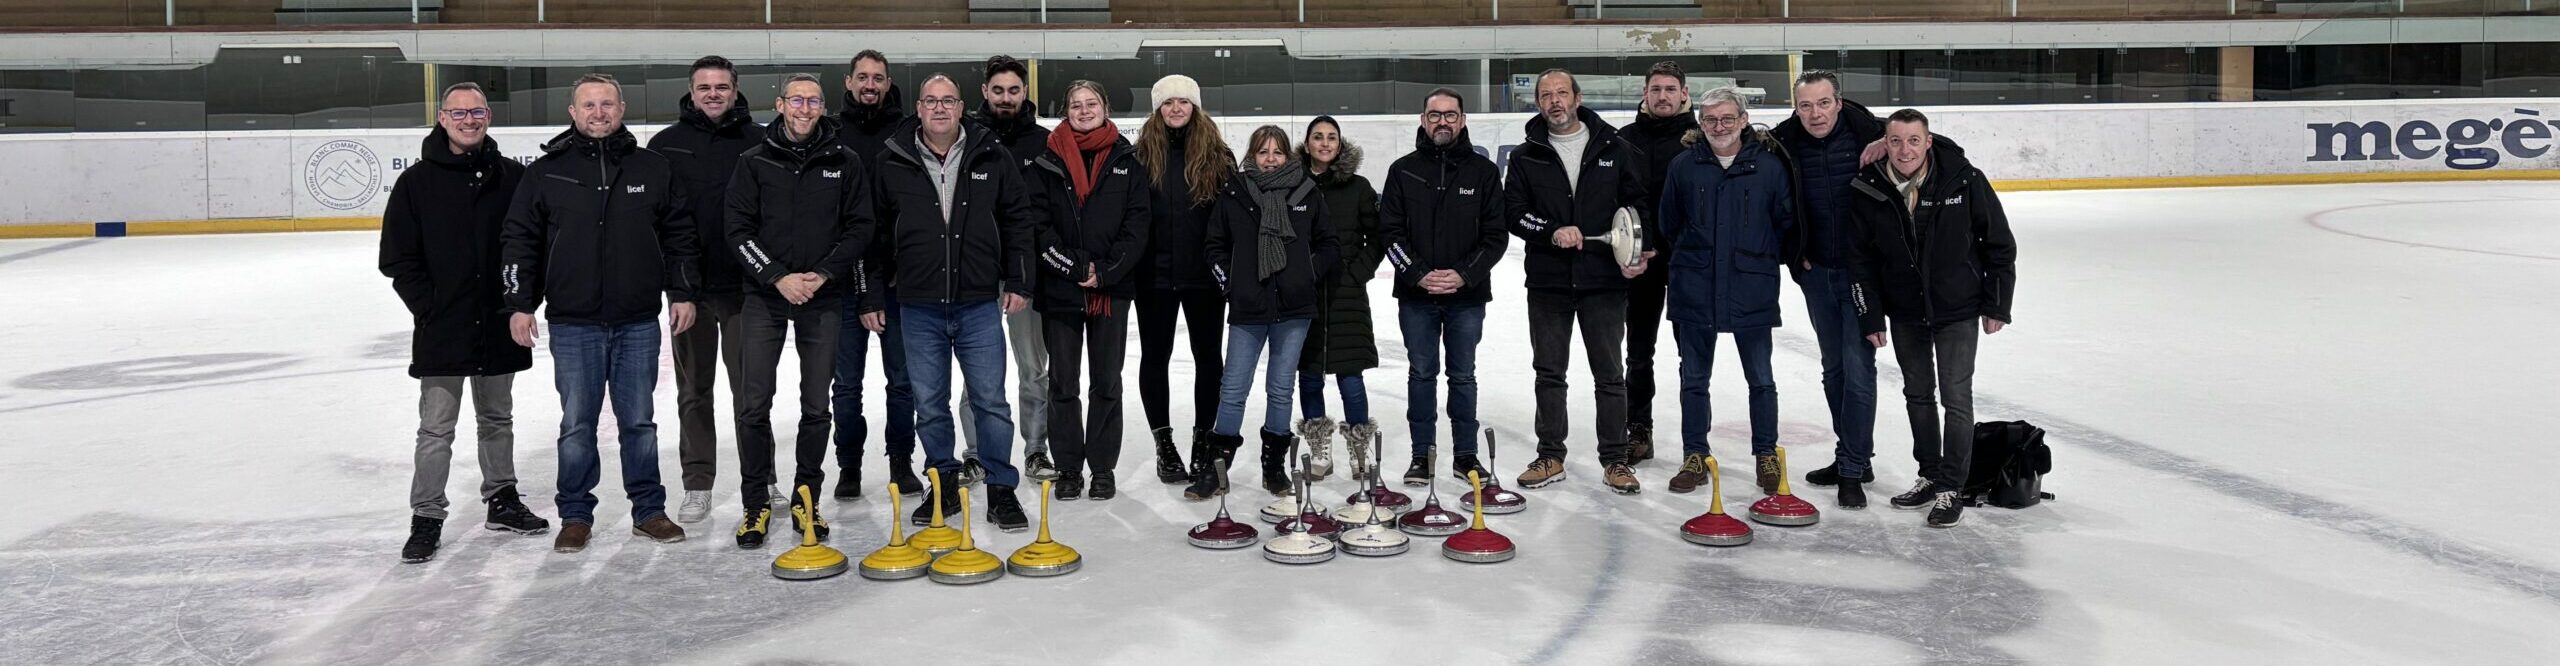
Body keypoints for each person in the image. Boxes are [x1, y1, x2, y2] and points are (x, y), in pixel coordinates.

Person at [499, 73, 699, 553]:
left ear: (622, 108)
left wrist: (683, 292)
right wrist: (519, 303)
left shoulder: (652, 167)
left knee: (639, 422)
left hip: (637, 319)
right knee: (577, 424)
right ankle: (575, 515)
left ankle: (648, 511)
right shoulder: (547, 171)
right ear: (573, 112)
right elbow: (519, 239)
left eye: (607, 104)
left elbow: (680, 234)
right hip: (574, 321)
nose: (598, 113)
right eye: (588, 105)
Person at [380, 81, 547, 564]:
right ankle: (427, 516)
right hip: (443, 326)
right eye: (459, 113)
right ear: (442, 118)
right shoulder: (416, 183)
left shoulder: (512, 177)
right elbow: (397, 257)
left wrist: (522, 301)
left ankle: (502, 500)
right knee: (436, 428)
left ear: (488, 116)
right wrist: (429, 307)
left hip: (498, 322)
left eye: (476, 112)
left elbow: (533, 246)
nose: (468, 120)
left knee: (497, 417)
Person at [869, 74, 1039, 533]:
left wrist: (1020, 281)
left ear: (962, 107)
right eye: (931, 101)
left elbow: (1018, 220)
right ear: (919, 108)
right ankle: (942, 482)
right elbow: (875, 234)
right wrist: (873, 293)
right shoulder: (891, 159)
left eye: (948, 101)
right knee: (929, 403)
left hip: (978, 302)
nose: (940, 108)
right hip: (918, 305)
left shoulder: (991, 154)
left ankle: (1001, 488)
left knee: (991, 402)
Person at [720, 74, 877, 548]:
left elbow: (860, 228)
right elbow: (737, 230)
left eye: (813, 101)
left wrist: (824, 273)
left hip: (822, 297)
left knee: (816, 405)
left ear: (823, 107)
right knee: (753, 403)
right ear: (780, 104)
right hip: (764, 297)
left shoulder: (845, 161)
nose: (804, 109)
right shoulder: (753, 161)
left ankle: (806, 498)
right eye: (796, 100)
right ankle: (755, 503)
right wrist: (776, 277)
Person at [1847, 108, 2018, 528]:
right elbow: (1861, 261)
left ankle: (1951, 488)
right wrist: (1871, 316)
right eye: (1895, 141)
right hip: (1906, 311)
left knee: (1956, 398)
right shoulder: (1868, 187)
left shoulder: (1964, 179)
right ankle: (1929, 473)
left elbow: (1998, 243)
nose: (1904, 150)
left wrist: (1997, 304)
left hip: (1957, 309)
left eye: (1913, 140)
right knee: (1918, 394)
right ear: (1884, 143)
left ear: (1928, 141)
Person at [1504, 69, 1654, 495]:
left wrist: (1637, 250)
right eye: (1546, 95)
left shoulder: (1614, 148)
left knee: (1610, 375)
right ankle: (1550, 455)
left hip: (1603, 281)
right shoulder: (1526, 156)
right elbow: (1514, 213)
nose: (1555, 101)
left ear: (1577, 97)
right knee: (1549, 372)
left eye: (1561, 93)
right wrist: (1552, 230)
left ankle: (1616, 459)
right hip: (1548, 283)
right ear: (1538, 103)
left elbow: (1638, 207)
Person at [1657, 87, 1796, 499]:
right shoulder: (1684, 166)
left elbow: (1785, 222)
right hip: (1694, 287)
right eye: (1711, 120)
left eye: (1727, 119)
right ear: (1700, 123)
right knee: (1694, 379)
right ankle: (1695, 455)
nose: (1719, 127)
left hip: (1752, 287)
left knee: (1761, 379)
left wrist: (1756, 257)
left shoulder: (1769, 167)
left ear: (1744, 120)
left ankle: (1766, 454)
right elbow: (1668, 223)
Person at [649, 55, 766, 521]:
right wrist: (678, 288)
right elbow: (660, 222)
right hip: (690, 294)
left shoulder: (760, 140)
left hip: (747, 290)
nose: (713, 94)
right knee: (694, 391)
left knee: (751, 392)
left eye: (721, 87)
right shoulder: (666, 146)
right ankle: (698, 483)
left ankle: (762, 478)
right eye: (704, 87)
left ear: (735, 90)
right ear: (691, 91)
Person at [1771, 69, 1893, 507]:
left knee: (1858, 370)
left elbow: (1938, 147)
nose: (1815, 113)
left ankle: (1852, 469)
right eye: (1805, 105)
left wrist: (1887, 137)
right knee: (1834, 370)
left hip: (1863, 277)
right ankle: (1854, 454)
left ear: (1839, 103)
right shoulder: (1784, 144)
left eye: (1824, 103)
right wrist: (1794, 252)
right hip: (1818, 273)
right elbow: (1774, 203)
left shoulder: (1870, 134)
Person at [1198, 125, 1339, 498]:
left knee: (1280, 389)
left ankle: (1273, 467)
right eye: (1263, 152)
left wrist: (1306, 274)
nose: (1271, 159)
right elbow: (1214, 245)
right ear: (1252, 156)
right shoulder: (1235, 193)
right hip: (1248, 306)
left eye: (1277, 152)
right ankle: (1216, 469)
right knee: (1233, 389)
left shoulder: (1306, 192)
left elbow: (1329, 243)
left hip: (1294, 308)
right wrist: (1230, 283)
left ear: (1288, 156)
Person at [1378, 88, 1507, 488]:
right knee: (1421, 374)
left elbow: (1496, 236)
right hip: (1416, 297)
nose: (1442, 122)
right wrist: (1417, 273)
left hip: (1466, 298)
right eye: (1435, 115)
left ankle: (1465, 455)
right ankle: (1422, 455)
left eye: (1451, 115)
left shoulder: (1483, 173)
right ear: (1423, 120)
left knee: (1463, 376)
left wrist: (1464, 274)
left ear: (1463, 120)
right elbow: (1389, 233)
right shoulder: (1403, 170)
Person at [1027, 80, 1150, 501]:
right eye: (1075, 105)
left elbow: (1138, 225)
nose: (1083, 110)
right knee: (1063, 383)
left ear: (1105, 108)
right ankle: (1067, 467)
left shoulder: (1128, 161)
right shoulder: (1046, 161)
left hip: (1110, 292)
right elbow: (1038, 227)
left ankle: (1101, 468)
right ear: (1066, 111)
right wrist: (1074, 268)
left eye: (1091, 103)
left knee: (1107, 382)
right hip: (1061, 290)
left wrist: (1106, 272)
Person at [1135, 74, 1237, 497]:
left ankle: (1201, 441)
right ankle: (1164, 444)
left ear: (1195, 106)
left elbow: (1231, 218)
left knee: (1208, 359)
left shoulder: (1219, 156)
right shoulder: (1140, 156)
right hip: (1153, 277)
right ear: (1157, 109)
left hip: (1204, 278)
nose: (1175, 108)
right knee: (1154, 357)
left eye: (1183, 101)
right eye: (1168, 102)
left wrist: (1226, 267)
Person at [829, 48, 923, 501]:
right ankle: (848, 464)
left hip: (896, 279)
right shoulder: (831, 132)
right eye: (862, 77)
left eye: (878, 78)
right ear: (849, 82)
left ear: (888, 83)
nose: (870, 84)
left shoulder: (906, 132)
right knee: (846, 383)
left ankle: (901, 459)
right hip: (841, 278)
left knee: (902, 381)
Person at [958, 54, 1056, 484]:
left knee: (1033, 367)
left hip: (1026, 274)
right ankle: (975, 452)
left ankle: (1036, 449)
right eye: (997, 90)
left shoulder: (1045, 142)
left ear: (1025, 92)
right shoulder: (967, 137)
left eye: (1013, 90)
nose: (1005, 98)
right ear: (984, 92)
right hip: (975, 273)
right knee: (977, 371)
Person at [1291, 115, 1383, 482]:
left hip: (1347, 295)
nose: (1325, 143)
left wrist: (1357, 274)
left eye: (1332, 137)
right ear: (1307, 144)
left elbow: (1378, 237)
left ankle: (1359, 448)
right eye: (1318, 137)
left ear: (1339, 144)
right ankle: (1319, 448)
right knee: (1310, 375)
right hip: (1304, 294)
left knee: (1350, 376)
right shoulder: (1293, 185)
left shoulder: (1358, 188)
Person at [1616, 61, 1697, 471]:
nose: (1663, 96)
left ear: (1684, 94)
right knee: (1638, 353)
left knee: (1692, 356)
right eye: (1656, 89)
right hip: (1639, 263)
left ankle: (1694, 440)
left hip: (1687, 263)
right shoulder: (1624, 139)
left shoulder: (1700, 139)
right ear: (1645, 93)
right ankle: (1638, 429)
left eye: (1670, 89)